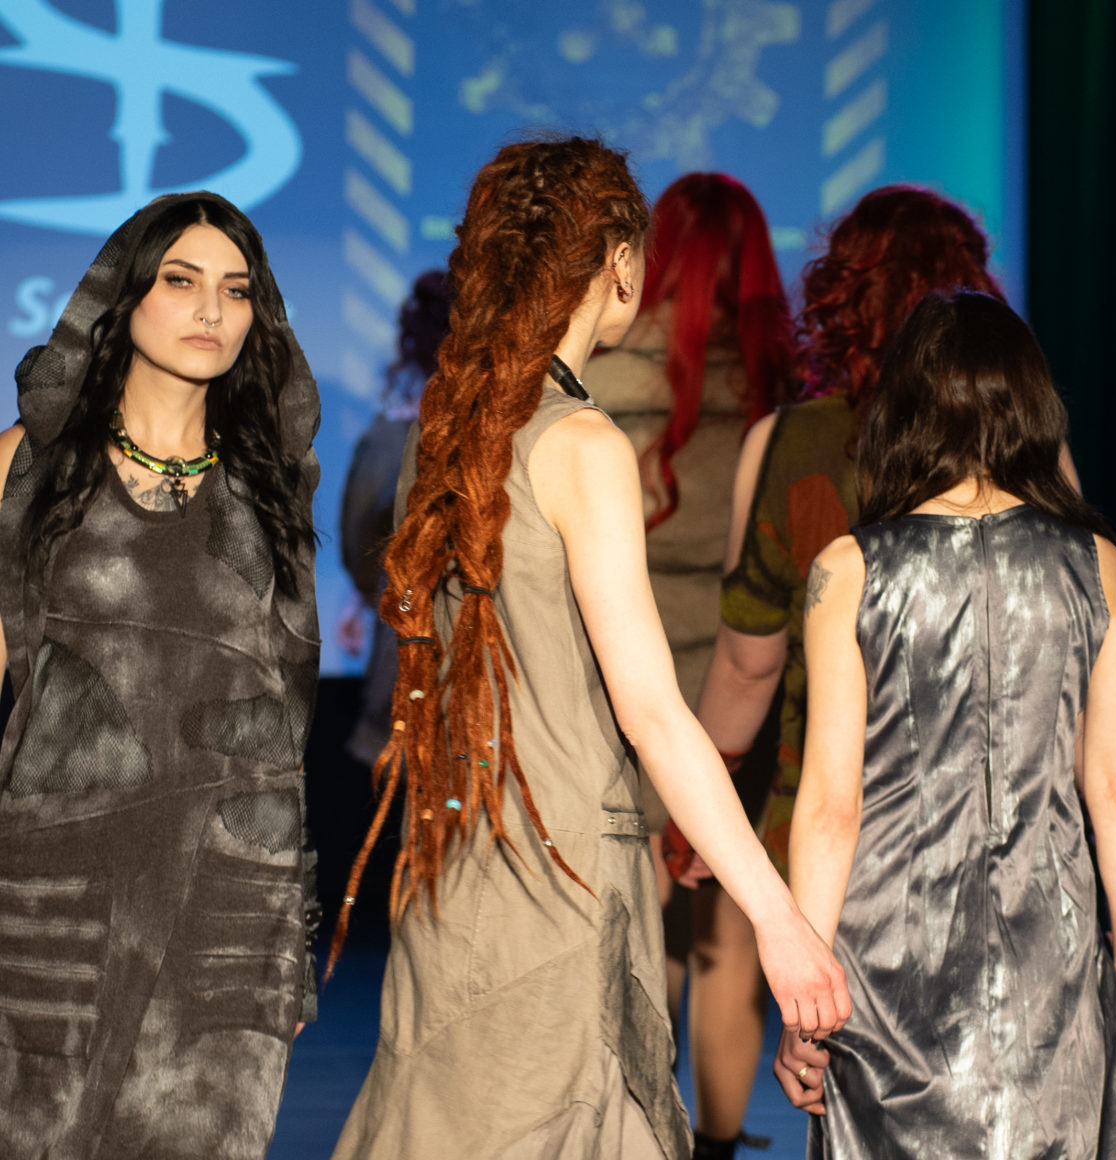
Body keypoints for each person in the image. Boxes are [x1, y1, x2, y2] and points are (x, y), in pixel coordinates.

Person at [327, 137, 849, 1160]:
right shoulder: (580, 443)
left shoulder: (448, 428)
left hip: (454, 862)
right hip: (560, 865)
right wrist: (778, 917)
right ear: (617, 261)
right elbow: (651, 712)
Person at [775, 290, 1116, 1157]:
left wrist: (804, 1004)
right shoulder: (1098, 564)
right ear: (1033, 408)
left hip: (886, 979)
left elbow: (831, 805)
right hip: (1052, 971)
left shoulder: (850, 570)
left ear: (901, 411)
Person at [676, 185, 1003, 1159]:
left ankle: (715, 1143)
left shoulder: (790, 441)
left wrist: (698, 796)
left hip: (823, 801)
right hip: (988, 810)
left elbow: (747, 662)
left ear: (841, 296)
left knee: (748, 963)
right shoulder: (1022, 449)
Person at [0, 192, 321, 1158]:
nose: (211, 310)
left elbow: (283, 715)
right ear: (124, 296)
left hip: (231, 894)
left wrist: (286, 918)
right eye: (181, 281)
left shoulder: (271, 489)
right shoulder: (27, 469)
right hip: (54, 887)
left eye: (236, 290)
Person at [581, 172, 795, 1145]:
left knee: (646, 926)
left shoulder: (599, 383)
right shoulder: (781, 398)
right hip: (744, 694)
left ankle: (643, 1133)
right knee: (730, 938)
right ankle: (713, 1146)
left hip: (627, 693)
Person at [336, 269, 451, 771]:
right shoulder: (523, 432)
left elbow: (359, 540)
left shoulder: (394, 439)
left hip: (408, 662)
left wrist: (370, 590)